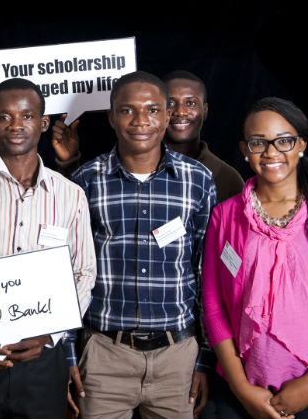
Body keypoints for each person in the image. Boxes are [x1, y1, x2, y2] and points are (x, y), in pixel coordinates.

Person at [60, 71, 216, 419]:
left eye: (152, 110)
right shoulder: (86, 181)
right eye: (128, 110)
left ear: (166, 116)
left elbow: (205, 272)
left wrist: (205, 357)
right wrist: (70, 353)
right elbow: (70, 272)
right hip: (103, 354)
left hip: (178, 357)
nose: (141, 120)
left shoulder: (198, 180)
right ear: (112, 117)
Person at [0, 78, 96, 419]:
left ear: (42, 123)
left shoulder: (70, 195)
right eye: (5, 116)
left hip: (43, 359)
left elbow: (84, 273)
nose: (16, 125)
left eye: (26, 115)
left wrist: (50, 334)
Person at [202, 97, 308, 419]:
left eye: (283, 141)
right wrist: (242, 388)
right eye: (259, 143)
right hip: (241, 391)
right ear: (245, 149)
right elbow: (214, 307)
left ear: (301, 144)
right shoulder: (225, 217)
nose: (272, 153)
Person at [163, 70, 244, 202]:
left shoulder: (228, 179)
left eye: (190, 103)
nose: (180, 112)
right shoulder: (138, 169)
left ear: (204, 111)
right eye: (170, 103)